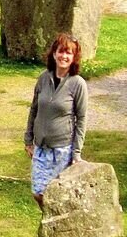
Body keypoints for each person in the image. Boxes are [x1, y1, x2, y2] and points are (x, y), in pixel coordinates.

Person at [24, 33, 88, 208]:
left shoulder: (78, 84)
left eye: (68, 53)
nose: (64, 56)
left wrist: (76, 152)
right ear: (54, 54)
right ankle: (53, 223)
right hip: (41, 148)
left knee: (56, 196)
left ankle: (58, 228)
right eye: (61, 51)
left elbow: (81, 119)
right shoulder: (43, 78)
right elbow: (34, 109)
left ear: (74, 58)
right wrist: (28, 140)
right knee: (38, 193)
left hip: (62, 150)